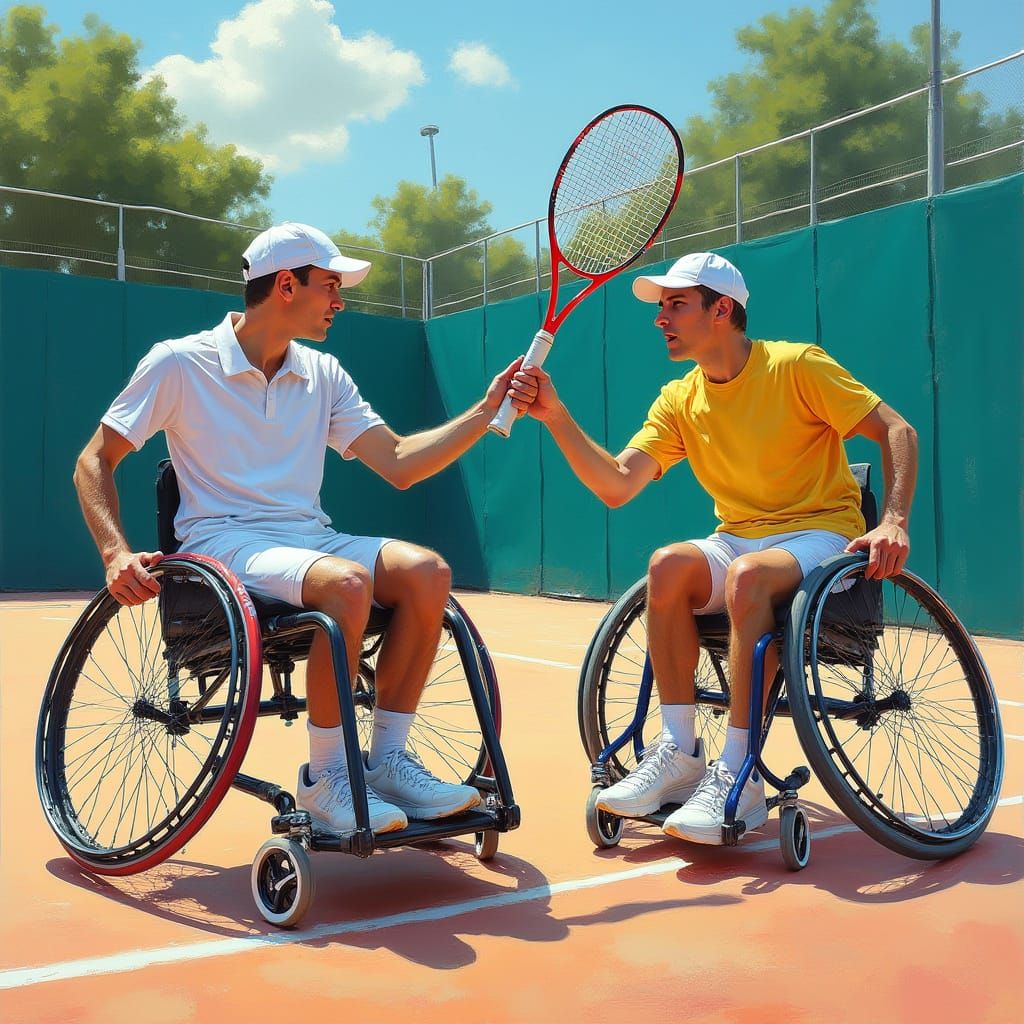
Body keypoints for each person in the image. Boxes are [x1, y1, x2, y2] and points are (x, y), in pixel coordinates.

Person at [73, 222, 536, 837]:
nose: (340, 301)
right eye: (330, 286)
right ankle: (327, 778)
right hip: (224, 545)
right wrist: (114, 552)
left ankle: (388, 761)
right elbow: (94, 460)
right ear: (287, 286)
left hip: (308, 539)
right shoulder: (180, 363)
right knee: (347, 585)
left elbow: (399, 462)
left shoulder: (323, 372)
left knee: (429, 573)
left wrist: (485, 411)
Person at [514, 251, 918, 845]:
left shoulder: (797, 366)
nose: (661, 318)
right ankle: (679, 752)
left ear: (722, 309)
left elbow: (897, 430)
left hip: (820, 534)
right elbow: (617, 484)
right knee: (667, 566)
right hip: (739, 539)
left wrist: (893, 521)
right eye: (661, 307)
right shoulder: (679, 398)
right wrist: (555, 416)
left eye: (676, 304)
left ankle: (740, 771)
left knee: (747, 576)